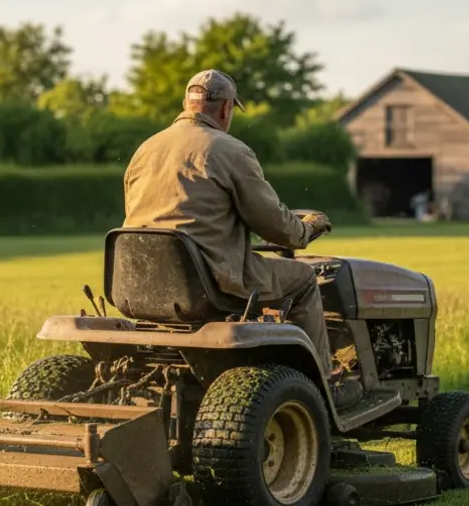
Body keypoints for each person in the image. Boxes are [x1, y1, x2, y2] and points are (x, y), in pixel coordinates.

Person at [121, 69, 362, 409]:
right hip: (209, 282)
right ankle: (322, 386)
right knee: (304, 279)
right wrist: (307, 228)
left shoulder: (146, 149)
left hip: (140, 282)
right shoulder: (229, 150)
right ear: (226, 109)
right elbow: (277, 226)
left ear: (186, 103)